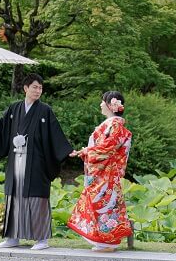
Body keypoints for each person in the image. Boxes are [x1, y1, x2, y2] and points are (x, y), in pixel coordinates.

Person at [0, 73, 73, 250]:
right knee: (14, 197)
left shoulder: (45, 110)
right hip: (15, 160)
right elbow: (1, 128)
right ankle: (13, 237)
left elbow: (55, 135)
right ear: (26, 88)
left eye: (40, 88)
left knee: (37, 199)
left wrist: (66, 150)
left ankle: (41, 239)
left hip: (37, 163)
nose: (38, 91)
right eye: (35, 87)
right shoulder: (14, 109)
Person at [67, 91, 133, 252]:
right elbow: (102, 147)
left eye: (103, 101)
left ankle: (108, 242)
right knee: (103, 205)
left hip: (107, 174)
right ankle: (104, 241)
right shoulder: (112, 124)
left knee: (104, 206)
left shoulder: (114, 125)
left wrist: (85, 152)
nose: (101, 104)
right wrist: (87, 151)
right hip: (105, 173)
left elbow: (106, 149)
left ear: (111, 105)